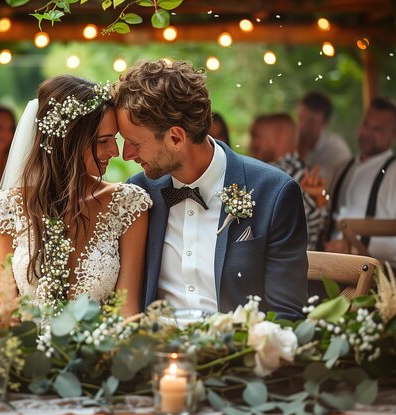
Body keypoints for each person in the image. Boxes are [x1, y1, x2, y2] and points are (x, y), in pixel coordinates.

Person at [115, 60, 307, 321]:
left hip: (237, 355)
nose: (126, 155)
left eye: (135, 143)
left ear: (176, 138)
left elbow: (287, 315)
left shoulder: (274, 193)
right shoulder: (138, 195)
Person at [0, 75, 151, 316]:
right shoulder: (6, 209)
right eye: (103, 141)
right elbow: (5, 313)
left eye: (114, 139)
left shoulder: (128, 205)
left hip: (102, 349)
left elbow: (127, 311)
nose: (115, 151)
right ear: (67, 141)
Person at [324, 97, 396, 285]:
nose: (368, 133)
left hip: (385, 277)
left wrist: (359, 248)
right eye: (366, 124)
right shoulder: (343, 167)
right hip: (334, 269)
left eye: (378, 129)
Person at [249, 113, 328, 250]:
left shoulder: (272, 174)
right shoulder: (307, 173)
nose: (252, 144)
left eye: (256, 136)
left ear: (279, 135)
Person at [297, 91, 351, 186]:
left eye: (311, 122)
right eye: (300, 118)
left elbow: (315, 185)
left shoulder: (336, 150)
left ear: (326, 124)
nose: (302, 126)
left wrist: (301, 155)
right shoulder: (295, 142)